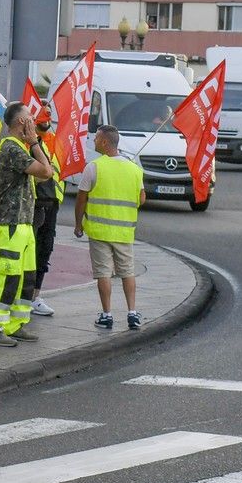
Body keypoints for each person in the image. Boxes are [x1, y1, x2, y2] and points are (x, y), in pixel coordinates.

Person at [0, 102, 53, 346]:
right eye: (30, 118)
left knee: (26, 277)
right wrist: (34, 142)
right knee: (8, 277)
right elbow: (46, 171)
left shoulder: (18, 147)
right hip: (11, 224)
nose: (34, 121)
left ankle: (15, 324)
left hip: (23, 223)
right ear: (22, 122)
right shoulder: (12, 148)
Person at [74, 125, 145, 330]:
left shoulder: (94, 167)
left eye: (96, 138)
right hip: (124, 232)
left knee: (103, 273)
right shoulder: (134, 169)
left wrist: (78, 224)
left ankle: (107, 315)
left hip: (99, 231)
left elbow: (81, 199)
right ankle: (132, 314)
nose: (94, 141)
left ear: (105, 142)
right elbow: (141, 199)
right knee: (127, 271)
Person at [29, 114, 64, 317]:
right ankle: (21, 294)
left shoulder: (57, 140)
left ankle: (34, 296)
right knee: (28, 250)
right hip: (32, 202)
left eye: (49, 112)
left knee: (44, 249)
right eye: (41, 112)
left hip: (52, 201)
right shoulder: (29, 143)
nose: (46, 115)